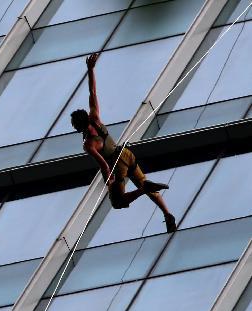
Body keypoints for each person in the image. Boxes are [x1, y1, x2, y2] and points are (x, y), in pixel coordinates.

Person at [71, 52, 177, 233]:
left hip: (116, 163)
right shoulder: (95, 117)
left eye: (73, 124)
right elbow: (93, 91)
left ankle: (144, 190)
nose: (72, 126)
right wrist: (90, 70)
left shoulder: (88, 144)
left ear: (79, 125)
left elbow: (103, 164)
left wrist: (109, 181)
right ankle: (168, 214)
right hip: (126, 153)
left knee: (118, 202)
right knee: (142, 181)